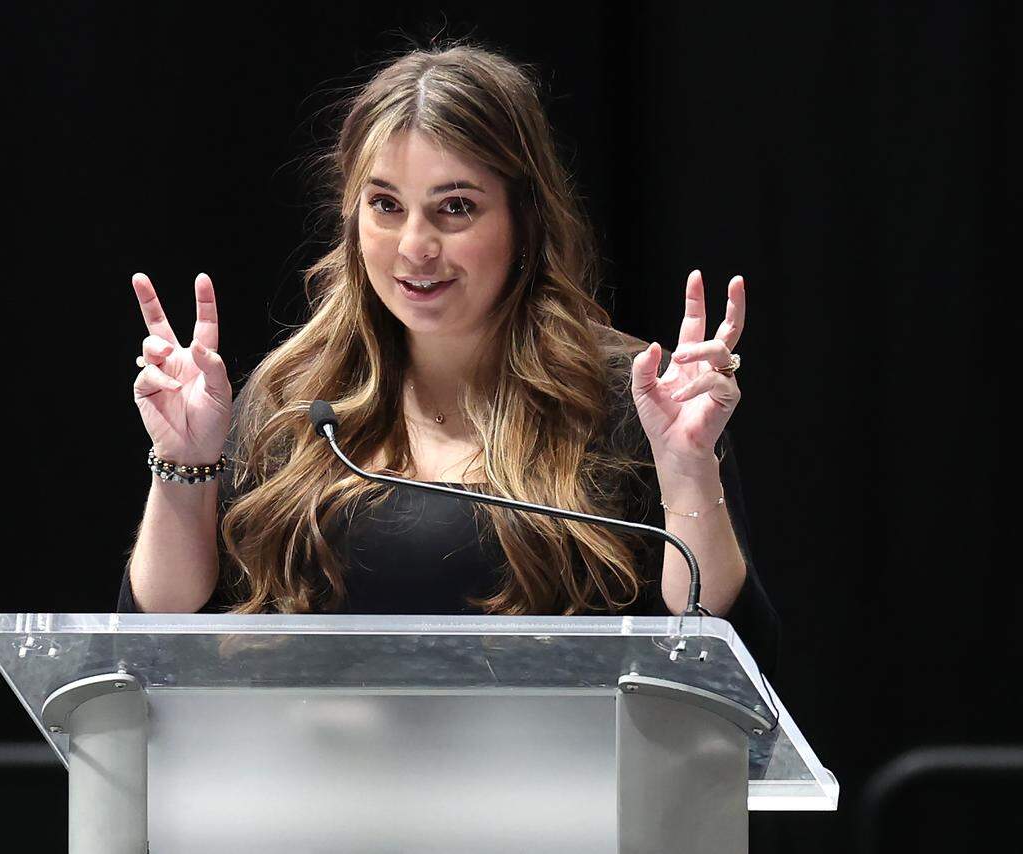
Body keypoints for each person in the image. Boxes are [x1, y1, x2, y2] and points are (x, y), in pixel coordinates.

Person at [118, 42, 780, 677]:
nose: (414, 247)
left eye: (455, 208)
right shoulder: (295, 400)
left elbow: (728, 666)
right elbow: (160, 648)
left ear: (526, 219)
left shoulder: (627, 398)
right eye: (384, 205)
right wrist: (185, 466)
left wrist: (690, 473)